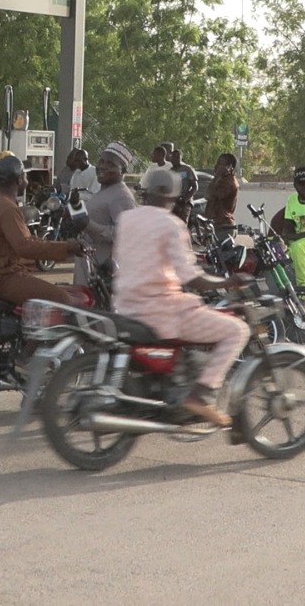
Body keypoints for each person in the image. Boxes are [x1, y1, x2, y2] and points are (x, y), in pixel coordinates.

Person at [114, 166, 251, 427]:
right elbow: (190, 277)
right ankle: (201, 394)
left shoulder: (126, 219)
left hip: (126, 308)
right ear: (170, 195)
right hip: (163, 312)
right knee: (237, 331)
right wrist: (227, 281)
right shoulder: (171, 224)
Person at [0, 155, 84, 307]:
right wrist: (67, 247)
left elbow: (26, 240)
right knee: (63, 299)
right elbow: (25, 246)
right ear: (19, 180)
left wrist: (62, 246)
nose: (27, 180)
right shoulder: (7, 208)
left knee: (62, 291)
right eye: (25, 176)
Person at [73, 142, 137, 285]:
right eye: (101, 161)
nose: (103, 166)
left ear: (123, 170)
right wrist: (75, 208)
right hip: (88, 265)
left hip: (103, 272)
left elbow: (125, 235)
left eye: (110, 164)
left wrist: (88, 225)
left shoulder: (121, 196)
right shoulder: (104, 191)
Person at [207, 152, 240, 231]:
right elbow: (207, 194)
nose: (216, 166)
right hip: (214, 224)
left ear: (229, 167)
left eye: (220, 164)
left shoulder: (229, 182)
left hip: (223, 225)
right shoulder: (220, 180)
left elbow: (215, 195)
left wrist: (217, 176)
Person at [168, 147, 199, 219]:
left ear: (180, 158)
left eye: (177, 157)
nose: (174, 159)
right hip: (174, 202)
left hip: (185, 201)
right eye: (173, 157)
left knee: (183, 222)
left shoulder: (187, 169)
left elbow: (195, 187)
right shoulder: (170, 171)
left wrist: (185, 199)